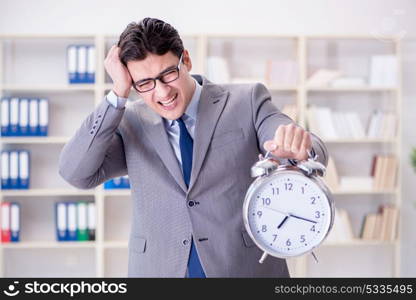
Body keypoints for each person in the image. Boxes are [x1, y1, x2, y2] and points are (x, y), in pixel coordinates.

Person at [59, 17, 328, 278]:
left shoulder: (246, 100)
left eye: (168, 74)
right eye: (145, 83)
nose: (162, 93)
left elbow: (302, 142)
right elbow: (76, 172)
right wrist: (117, 94)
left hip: (241, 269)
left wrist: (299, 148)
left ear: (185, 59)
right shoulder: (130, 121)